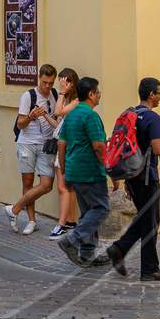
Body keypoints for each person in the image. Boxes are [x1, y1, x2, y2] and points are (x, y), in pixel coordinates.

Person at [102, 77, 160, 281]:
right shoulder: (153, 118)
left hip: (133, 176)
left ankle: (119, 249)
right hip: (147, 178)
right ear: (151, 94)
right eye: (159, 93)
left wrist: (127, 179)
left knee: (145, 218)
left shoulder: (131, 114)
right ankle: (149, 269)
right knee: (151, 221)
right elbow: (156, 149)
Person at [55, 76, 110, 268]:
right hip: (90, 171)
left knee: (88, 211)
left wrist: (64, 169)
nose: (100, 95)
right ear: (91, 94)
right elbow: (98, 146)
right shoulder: (91, 116)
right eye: (98, 92)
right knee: (101, 208)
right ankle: (72, 240)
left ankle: (87, 254)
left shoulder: (71, 115)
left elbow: (61, 144)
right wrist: (108, 168)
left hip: (73, 169)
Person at [5, 64, 59, 236]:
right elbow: (20, 124)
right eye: (45, 82)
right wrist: (31, 116)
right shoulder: (28, 96)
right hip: (27, 143)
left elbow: (57, 119)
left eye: (51, 83)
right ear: (39, 78)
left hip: (46, 144)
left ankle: (14, 209)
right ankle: (31, 221)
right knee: (27, 183)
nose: (48, 86)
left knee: (46, 184)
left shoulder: (55, 95)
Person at [49, 67, 82, 239]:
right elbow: (58, 122)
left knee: (63, 187)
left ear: (73, 83)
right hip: (63, 145)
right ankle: (70, 220)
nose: (63, 83)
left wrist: (61, 93)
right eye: (61, 80)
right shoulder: (67, 99)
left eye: (66, 80)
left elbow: (58, 112)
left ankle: (61, 224)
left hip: (68, 148)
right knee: (67, 187)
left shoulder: (76, 101)